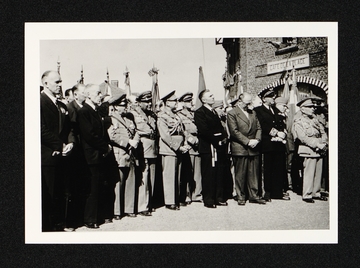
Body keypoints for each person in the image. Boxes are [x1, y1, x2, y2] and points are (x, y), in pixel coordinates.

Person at [77, 84, 116, 229]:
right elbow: (89, 135)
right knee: (92, 189)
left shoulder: (95, 111)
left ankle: (98, 216)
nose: (101, 95)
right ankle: (90, 219)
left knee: (99, 187)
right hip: (91, 155)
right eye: (98, 93)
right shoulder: (84, 112)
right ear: (88, 95)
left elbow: (102, 132)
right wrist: (105, 147)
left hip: (100, 154)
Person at [40, 70, 75, 231]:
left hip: (63, 155)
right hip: (48, 155)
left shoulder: (62, 105)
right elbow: (41, 129)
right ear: (45, 83)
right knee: (49, 194)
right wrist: (59, 146)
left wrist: (70, 143)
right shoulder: (38, 102)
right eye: (57, 82)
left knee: (61, 192)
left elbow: (69, 129)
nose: (60, 85)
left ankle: (60, 224)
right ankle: (47, 227)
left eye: (61, 82)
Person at [107, 94, 146, 218]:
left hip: (131, 153)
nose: (125, 107)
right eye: (122, 105)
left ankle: (129, 208)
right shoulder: (111, 118)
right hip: (120, 153)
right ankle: (117, 211)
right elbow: (112, 136)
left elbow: (136, 132)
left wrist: (135, 140)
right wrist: (128, 142)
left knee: (131, 181)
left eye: (125, 105)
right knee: (119, 182)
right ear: (115, 106)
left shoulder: (129, 118)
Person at [227, 93, 265, 205]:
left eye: (250, 103)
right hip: (240, 147)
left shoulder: (253, 113)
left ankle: (254, 195)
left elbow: (259, 128)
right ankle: (241, 196)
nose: (249, 105)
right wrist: (248, 141)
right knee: (240, 174)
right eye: (246, 103)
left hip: (253, 147)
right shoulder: (232, 113)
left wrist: (257, 140)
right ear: (240, 100)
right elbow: (234, 132)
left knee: (254, 173)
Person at [194, 89, 229, 208]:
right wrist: (216, 140)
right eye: (210, 96)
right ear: (204, 100)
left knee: (219, 173)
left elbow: (220, 128)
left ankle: (219, 197)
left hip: (218, 146)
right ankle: (209, 199)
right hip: (208, 148)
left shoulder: (214, 112)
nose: (213, 97)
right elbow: (204, 130)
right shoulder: (200, 112)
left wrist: (223, 138)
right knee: (209, 174)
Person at [254, 88, 290, 201]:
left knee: (278, 168)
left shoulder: (275, 109)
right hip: (267, 144)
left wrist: (283, 133)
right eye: (270, 96)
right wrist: (276, 133)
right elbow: (262, 125)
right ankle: (267, 192)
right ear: (264, 99)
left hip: (278, 144)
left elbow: (281, 123)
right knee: (267, 169)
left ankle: (277, 192)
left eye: (274, 96)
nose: (273, 98)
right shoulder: (258, 110)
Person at [157, 90, 190, 210]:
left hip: (179, 148)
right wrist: (178, 147)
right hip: (169, 149)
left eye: (176, 100)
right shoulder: (162, 116)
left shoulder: (176, 115)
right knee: (170, 176)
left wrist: (185, 143)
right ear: (167, 102)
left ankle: (176, 198)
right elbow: (165, 135)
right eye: (173, 101)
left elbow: (182, 131)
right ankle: (170, 201)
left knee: (178, 175)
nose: (176, 103)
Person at [292, 97, 328, 203]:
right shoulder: (299, 122)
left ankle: (316, 193)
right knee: (309, 173)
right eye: (310, 107)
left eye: (313, 107)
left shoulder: (315, 120)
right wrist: (317, 144)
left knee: (318, 173)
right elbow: (303, 138)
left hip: (319, 149)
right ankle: (307, 194)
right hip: (308, 149)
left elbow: (323, 132)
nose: (313, 109)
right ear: (302, 109)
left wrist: (323, 142)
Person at [65, 83, 90, 228]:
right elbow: (72, 131)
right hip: (75, 153)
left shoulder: (84, 108)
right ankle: (72, 221)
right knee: (73, 188)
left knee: (81, 187)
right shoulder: (71, 109)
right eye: (83, 92)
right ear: (76, 95)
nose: (86, 94)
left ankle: (80, 218)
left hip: (84, 152)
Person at [130, 91, 158, 213]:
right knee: (144, 176)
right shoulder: (133, 114)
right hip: (142, 146)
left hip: (152, 147)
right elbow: (133, 130)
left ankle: (149, 202)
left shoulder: (151, 114)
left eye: (149, 102)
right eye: (145, 102)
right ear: (139, 102)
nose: (148, 104)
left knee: (151, 176)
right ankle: (142, 206)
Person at [177, 92, 202, 204]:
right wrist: (192, 140)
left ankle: (197, 194)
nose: (190, 103)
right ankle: (187, 194)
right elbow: (183, 131)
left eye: (190, 100)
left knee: (198, 171)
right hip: (188, 144)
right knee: (187, 171)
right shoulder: (179, 115)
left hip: (198, 144)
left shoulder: (195, 113)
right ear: (182, 103)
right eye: (187, 101)